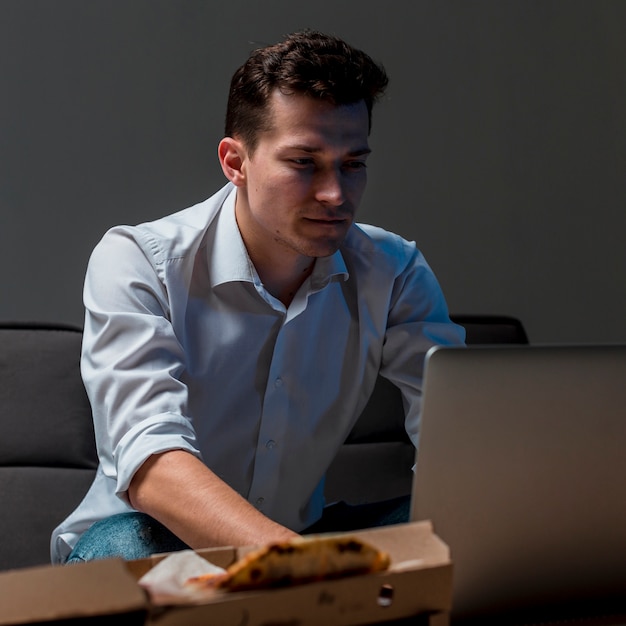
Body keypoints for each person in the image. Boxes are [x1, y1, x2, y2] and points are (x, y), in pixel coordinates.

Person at [51, 29, 465, 564]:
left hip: (299, 536)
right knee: (126, 545)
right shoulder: (138, 261)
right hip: (148, 541)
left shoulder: (394, 271)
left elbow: (457, 437)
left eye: (353, 163)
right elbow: (152, 465)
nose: (336, 194)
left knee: (463, 526)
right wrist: (309, 570)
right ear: (235, 162)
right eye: (303, 163)